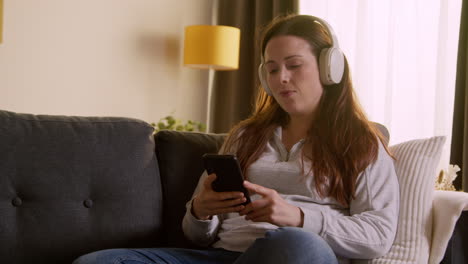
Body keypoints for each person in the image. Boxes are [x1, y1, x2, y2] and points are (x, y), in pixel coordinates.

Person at [73, 14, 399, 264]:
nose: (281, 78)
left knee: (297, 243)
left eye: (294, 65)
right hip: (224, 256)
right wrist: (200, 212)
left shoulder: (361, 144)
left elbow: (379, 234)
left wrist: (300, 218)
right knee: (100, 261)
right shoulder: (246, 136)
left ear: (331, 69)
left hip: (294, 254)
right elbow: (198, 236)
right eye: (272, 69)